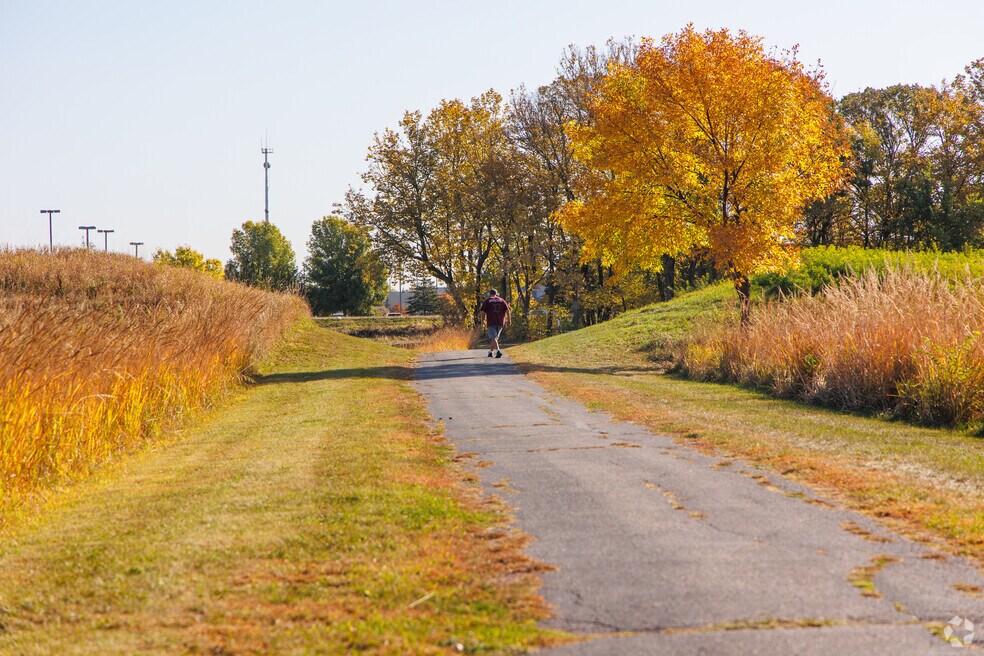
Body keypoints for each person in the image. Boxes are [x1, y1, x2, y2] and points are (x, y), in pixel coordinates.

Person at [479, 289, 511, 358]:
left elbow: (482, 312)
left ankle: (498, 351)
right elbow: (508, 311)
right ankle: (490, 352)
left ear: (490, 294)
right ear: (496, 294)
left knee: (493, 337)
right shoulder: (502, 300)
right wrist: (509, 320)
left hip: (491, 322)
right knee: (495, 338)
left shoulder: (487, 301)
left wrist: (482, 321)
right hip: (500, 322)